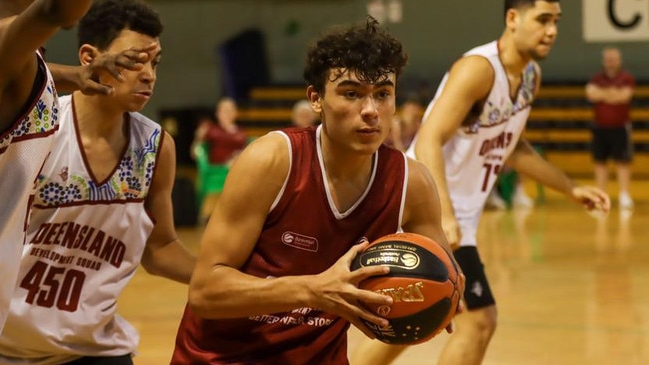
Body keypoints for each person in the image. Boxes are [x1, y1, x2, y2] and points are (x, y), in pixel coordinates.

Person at [171, 17, 463, 365]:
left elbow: (445, 281)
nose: (370, 110)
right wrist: (314, 290)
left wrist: (434, 301)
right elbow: (205, 291)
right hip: (221, 358)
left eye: (383, 94)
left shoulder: (411, 183)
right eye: (351, 94)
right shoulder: (273, 160)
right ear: (316, 99)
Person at [351, 1, 611, 365]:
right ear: (512, 18)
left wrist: (570, 188)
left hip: (456, 212)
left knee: (417, 315)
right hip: (424, 203)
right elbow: (429, 138)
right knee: (480, 320)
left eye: (556, 21)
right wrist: (441, 217)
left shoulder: (530, 77)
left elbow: (512, 148)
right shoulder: (478, 69)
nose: (552, 30)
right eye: (543, 20)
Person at [0, 1, 196, 363]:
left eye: (155, 63)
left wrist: (230, 277)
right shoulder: (39, 124)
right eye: (135, 61)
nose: (149, 75)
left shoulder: (155, 146)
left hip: (94, 350)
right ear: (90, 56)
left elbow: (161, 247)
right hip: (8, 347)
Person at [585, 47, 635, 210]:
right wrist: (612, 93)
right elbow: (591, 94)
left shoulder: (626, 78)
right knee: (600, 162)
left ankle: (624, 195)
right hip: (600, 127)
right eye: (608, 59)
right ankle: (600, 195)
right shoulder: (596, 78)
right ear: (604, 61)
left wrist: (603, 94)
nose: (611, 62)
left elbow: (624, 97)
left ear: (619, 61)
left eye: (614, 59)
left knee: (623, 162)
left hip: (620, 128)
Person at [191, 96, 247, 221]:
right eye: (224, 110)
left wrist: (237, 158)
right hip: (215, 172)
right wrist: (198, 138)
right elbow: (195, 153)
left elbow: (245, 151)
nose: (227, 113)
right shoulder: (210, 130)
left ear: (236, 113)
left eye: (230, 110)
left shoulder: (241, 132)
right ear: (217, 113)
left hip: (236, 169)